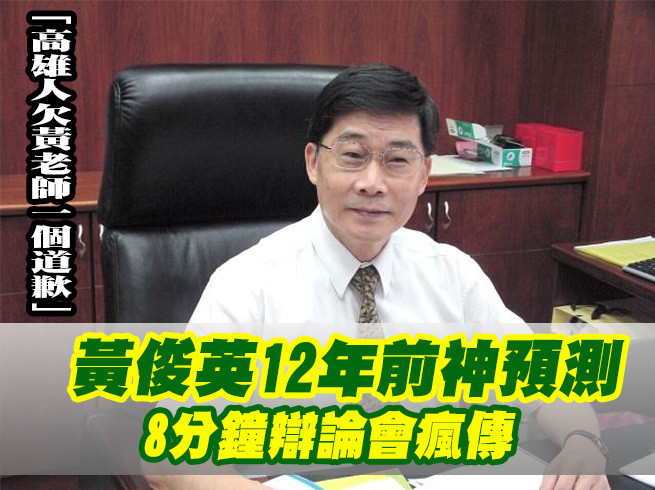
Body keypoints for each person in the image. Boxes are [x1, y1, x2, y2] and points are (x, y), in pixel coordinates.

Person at [145, 64, 609, 490]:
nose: (372, 182)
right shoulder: (249, 284)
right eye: (352, 155)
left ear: (424, 175)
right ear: (313, 162)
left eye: (397, 160)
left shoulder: (450, 273)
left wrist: (584, 442)